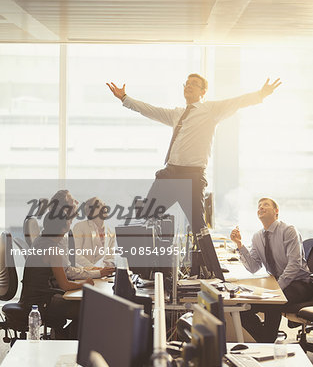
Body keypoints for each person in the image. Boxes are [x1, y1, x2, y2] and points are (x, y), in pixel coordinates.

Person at [106, 75, 281, 238]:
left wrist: (261, 94)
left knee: (198, 226)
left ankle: (210, 270)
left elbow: (236, 102)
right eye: (186, 84)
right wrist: (125, 98)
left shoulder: (210, 110)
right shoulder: (177, 114)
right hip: (170, 173)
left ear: (203, 92)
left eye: (194, 84)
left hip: (192, 176)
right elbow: (151, 111)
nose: (188, 86)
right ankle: (149, 267)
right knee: (148, 217)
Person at [230, 197, 313, 342]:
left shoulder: (288, 231)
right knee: (238, 307)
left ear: (276, 211)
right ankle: (265, 339)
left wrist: (276, 289)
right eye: (259, 206)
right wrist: (239, 245)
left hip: (300, 283)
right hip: (279, 284)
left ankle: (267, 340)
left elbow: (294, 265)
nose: (261, 207)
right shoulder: (257, 237)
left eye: (265, 205)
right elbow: (253, 267)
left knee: (272, 302)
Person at [20, 190, 94, 339]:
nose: (70, 223)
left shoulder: (41, 241)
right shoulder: (53, 250)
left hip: (33, 298)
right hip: (41, 303)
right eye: (68, 222)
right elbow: (65, 285)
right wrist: (85, 283)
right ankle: (64, 336)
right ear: (62, 228)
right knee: (90, 308)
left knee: (86, 307)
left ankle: (62, 334)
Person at [72, 196, 115, 268]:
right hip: (83, 273)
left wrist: (109, 265)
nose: (104, 206)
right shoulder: (80, 227)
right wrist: (94, 269)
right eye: (99, 205)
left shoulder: (111, 231)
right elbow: (76, 254)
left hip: (103, 275)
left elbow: (110, 257)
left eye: (104, 204)